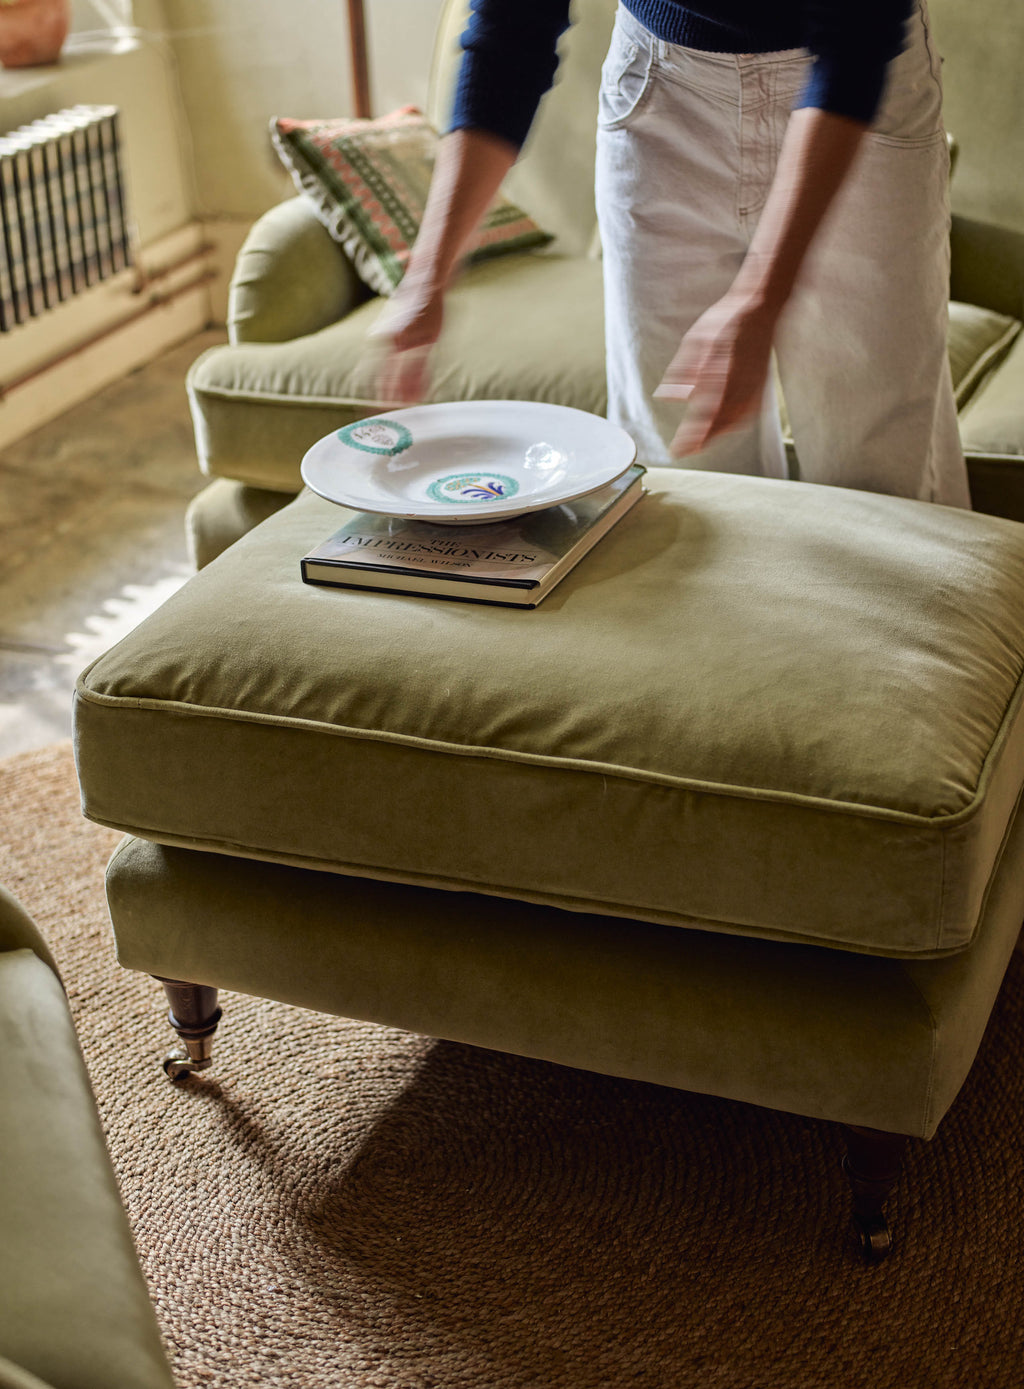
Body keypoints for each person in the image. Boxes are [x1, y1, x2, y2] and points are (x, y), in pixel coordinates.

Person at [375, 1, 971, 509]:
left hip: (853, 91)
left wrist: (762, 296)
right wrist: (427, 276)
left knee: (880, 477)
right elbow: (511, 27)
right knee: (683, 474)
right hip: (661, 85)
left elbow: (857, 38)